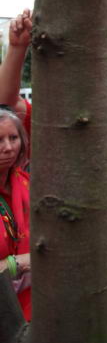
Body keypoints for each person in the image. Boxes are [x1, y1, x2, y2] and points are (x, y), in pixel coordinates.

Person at [0, 107, 31, 319]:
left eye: (13, 138)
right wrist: (19, 263)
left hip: (33, 303)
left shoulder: (30, 184)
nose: (8, 148)